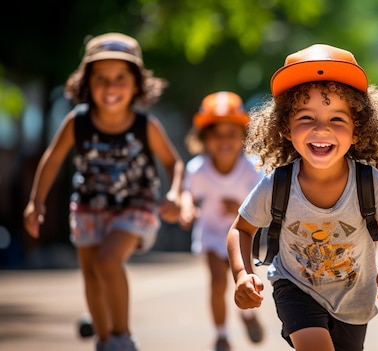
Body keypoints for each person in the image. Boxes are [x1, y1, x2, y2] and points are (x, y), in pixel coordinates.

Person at [226, 44, 378, 351]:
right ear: (285, 128)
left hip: (354, 302)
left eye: (337, 119)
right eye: (306, 118)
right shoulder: (279, 184)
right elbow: (240, 229)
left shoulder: (369, 182)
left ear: (357, 130)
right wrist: (242, 274)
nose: (321, 129)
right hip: (295, 288)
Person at [23, 32, 184, 351]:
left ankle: (123, 337)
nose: (111, 87)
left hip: (134, 206)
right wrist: (35, 202)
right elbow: (52, 159)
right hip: (88, 206)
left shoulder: (145, 125)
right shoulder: (77, 122)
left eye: (121, 77)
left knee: (107, 261)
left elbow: (173, 162)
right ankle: (104, 338)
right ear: (87, 82)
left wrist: (176, 194)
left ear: (137, 83)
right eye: (101, 78)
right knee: (91, 273)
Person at [179, 91, 264, 351]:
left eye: (231, 133)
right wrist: (186, 208)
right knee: (217, 283)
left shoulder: (251, 169)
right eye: (217, 134)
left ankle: (248, 315)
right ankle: (221, 335)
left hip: (241, 236)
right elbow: (187, 193)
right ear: (204, 138)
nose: (224, 141)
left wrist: (239, 208)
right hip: (211, 234)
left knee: (246, 280)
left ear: (243, 137)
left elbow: (264, 206)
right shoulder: (198, 169)